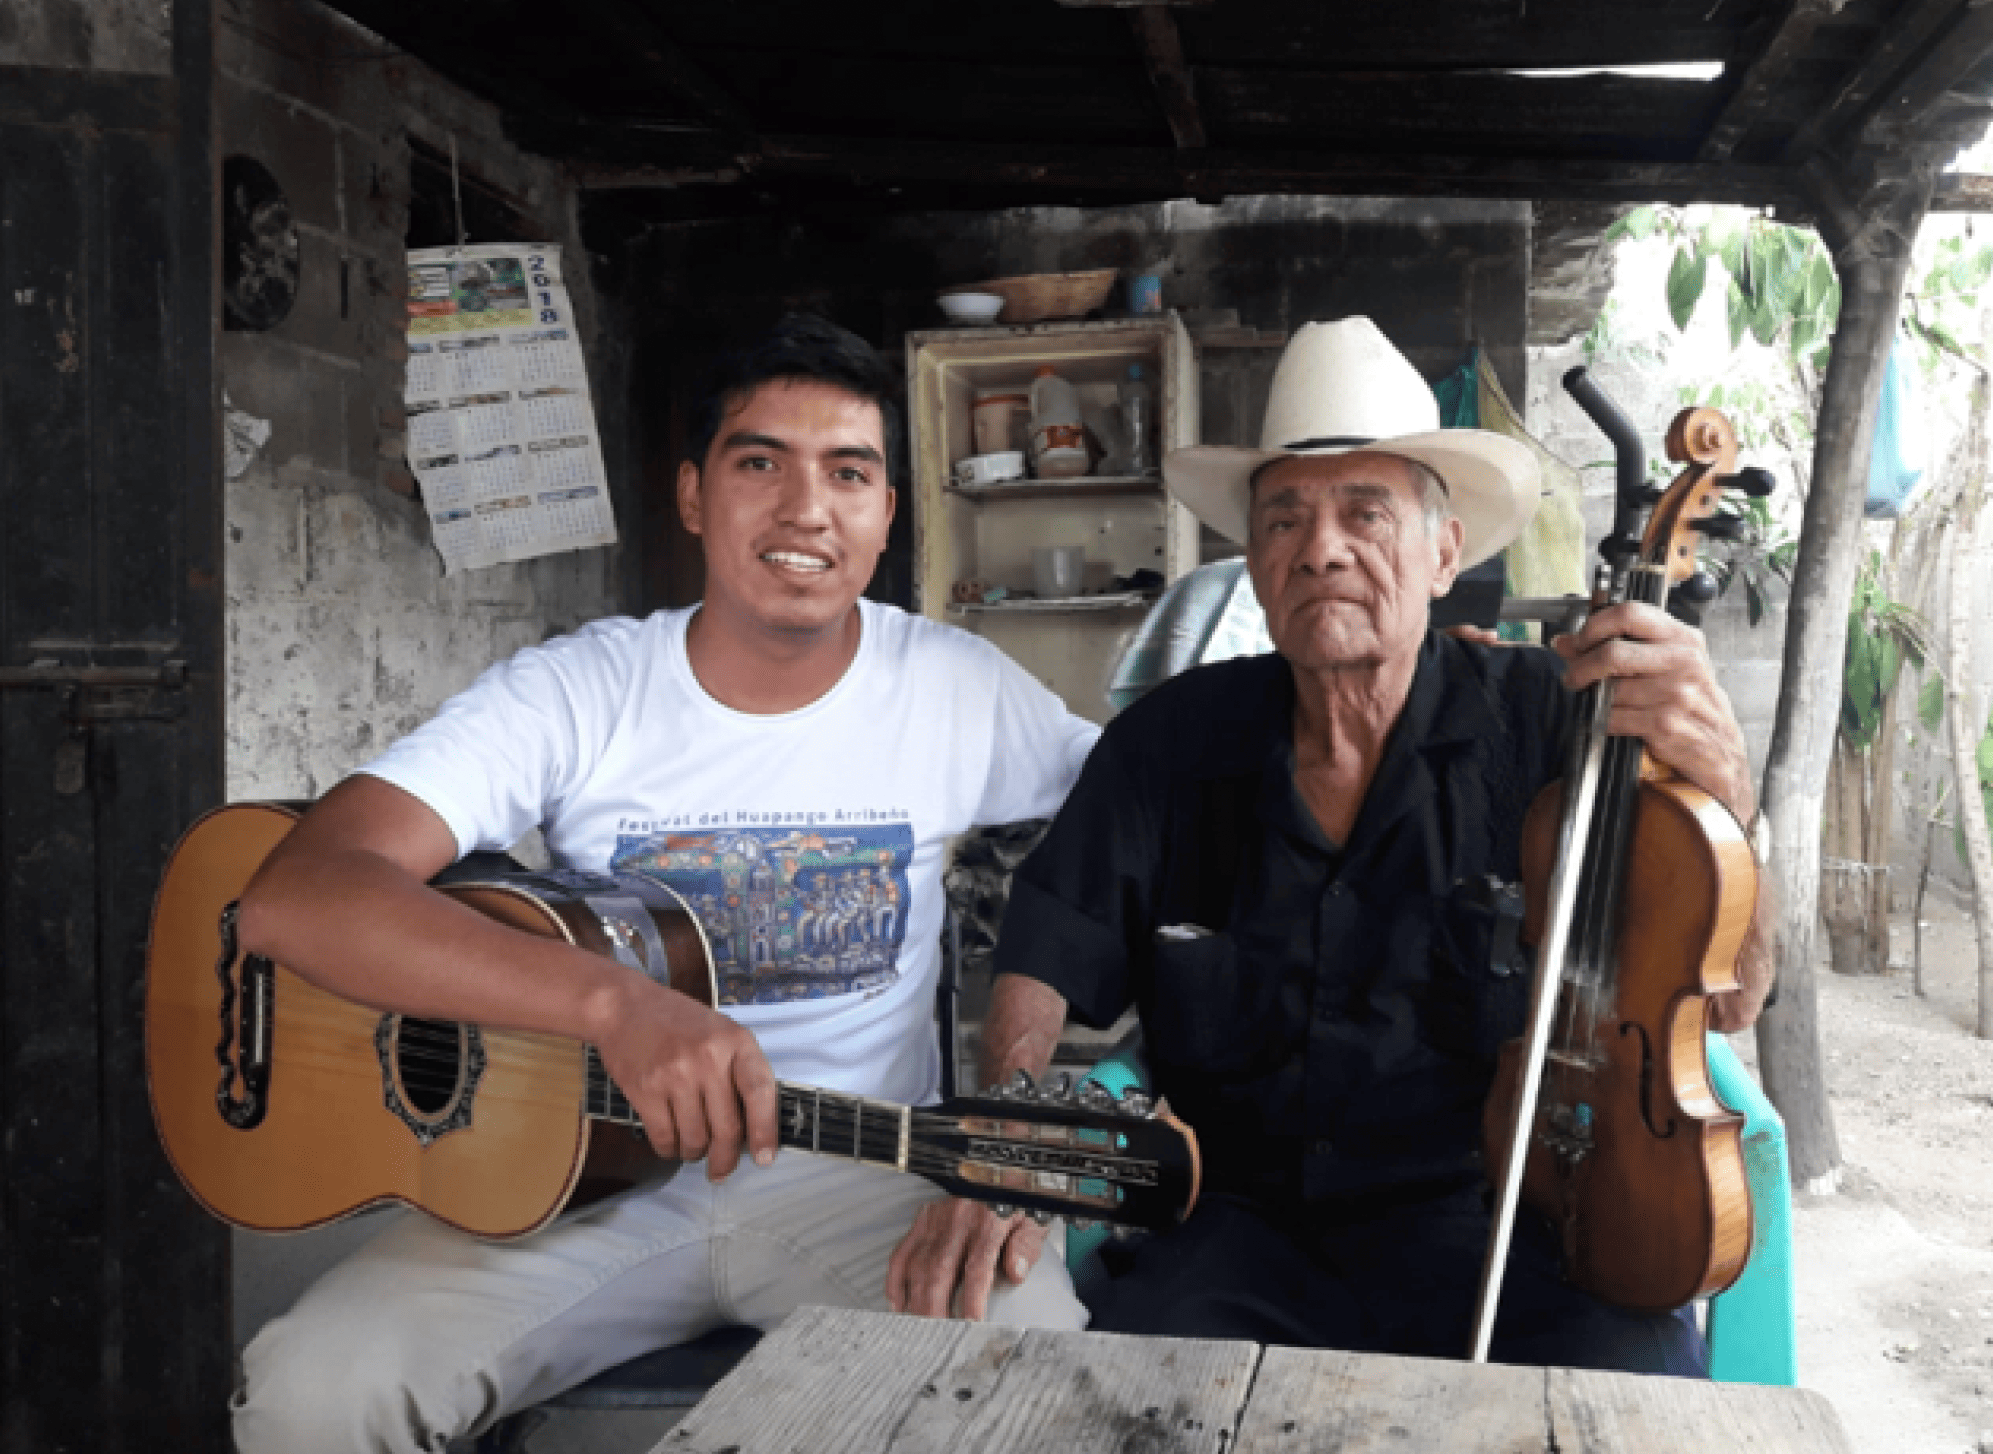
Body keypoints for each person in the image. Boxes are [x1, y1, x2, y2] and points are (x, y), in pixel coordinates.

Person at [231, 315, 1096, 1453]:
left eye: (848, 472)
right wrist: (614, 1003)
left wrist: (1011, 1123)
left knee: (1034, 1370)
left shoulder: (953, 684)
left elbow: (1138, 816)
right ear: (693, 495)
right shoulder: (577, 689)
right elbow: (297, 896)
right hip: (582, 1181)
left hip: (862, 1175)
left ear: (887, 513)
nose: (805, 509)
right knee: (314, 1389)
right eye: (758, 463)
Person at [886, 316, 1776, 1372]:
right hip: (1235, 1235)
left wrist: (1721, 782)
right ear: (1253, 561)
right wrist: (1008, 1133)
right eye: (1284, 519)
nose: (1321, 548)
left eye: (1366, 511)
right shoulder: (1169, 742)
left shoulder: (1558, 722)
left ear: (1444, 552)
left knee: (1635, 1407)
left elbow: (1728, 997)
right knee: (1114, 1399)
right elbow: (1041, 956)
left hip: (1507, 1232)